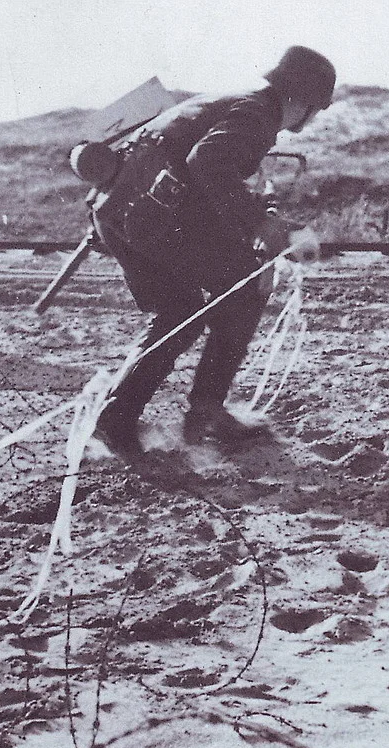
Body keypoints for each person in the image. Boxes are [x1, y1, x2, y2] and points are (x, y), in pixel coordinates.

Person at [87, 46, 335, 458]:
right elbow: (206, 162)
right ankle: (206, 414)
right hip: (151, 215)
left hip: (116, 214)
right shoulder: (256, 116)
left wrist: (255, 219)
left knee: (179, 312)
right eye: (316, 108)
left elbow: (199, 175)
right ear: (304, 101)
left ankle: (115, 421)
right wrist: (264, 226)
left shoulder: (233, 103)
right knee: (246, 287)